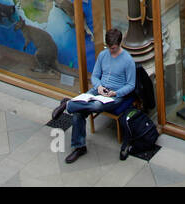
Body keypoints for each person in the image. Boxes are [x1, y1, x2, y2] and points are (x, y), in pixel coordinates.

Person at [51, 28, 135, 164]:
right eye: (109, 48)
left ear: (119, 44)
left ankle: (68, 104)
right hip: (100, 89)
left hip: (116, 95)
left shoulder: (128, 60)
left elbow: (131, 85)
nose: (111, 51)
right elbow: (95, 76)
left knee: (96, 105)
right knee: (79, 112)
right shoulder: (103, 55)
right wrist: (99, 87)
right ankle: (79, 147)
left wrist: (116, 93)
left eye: (113, 48)